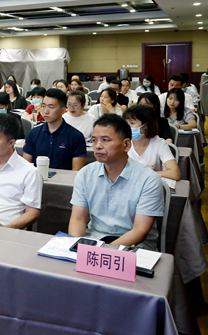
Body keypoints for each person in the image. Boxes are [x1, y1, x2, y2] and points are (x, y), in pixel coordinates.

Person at [68, 114, 164, 250]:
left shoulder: (149, 179)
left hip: (134, 246)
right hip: (95, 239)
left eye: (105, 140)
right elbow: (78, 219)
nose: (98, 146)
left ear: (126, 145)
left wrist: (103, 252)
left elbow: (140, 230)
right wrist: (77, 246)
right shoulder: (85, 174)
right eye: (94, 140)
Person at [22, 88, 86, 171]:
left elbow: (76, 172)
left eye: (51, 107)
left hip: (65, 179)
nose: (46, 111)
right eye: (43, 106)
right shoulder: (33, 133)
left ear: (63, 110)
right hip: (38, 178)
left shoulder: (76, 136)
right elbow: (26, 167)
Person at [123, 105, 180, 181]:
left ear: (146, 125)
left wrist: (145, 175)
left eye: (132, 123)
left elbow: (175, 173)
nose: (127, 127)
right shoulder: (122, 143)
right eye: (125, 123)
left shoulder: (159, 144)